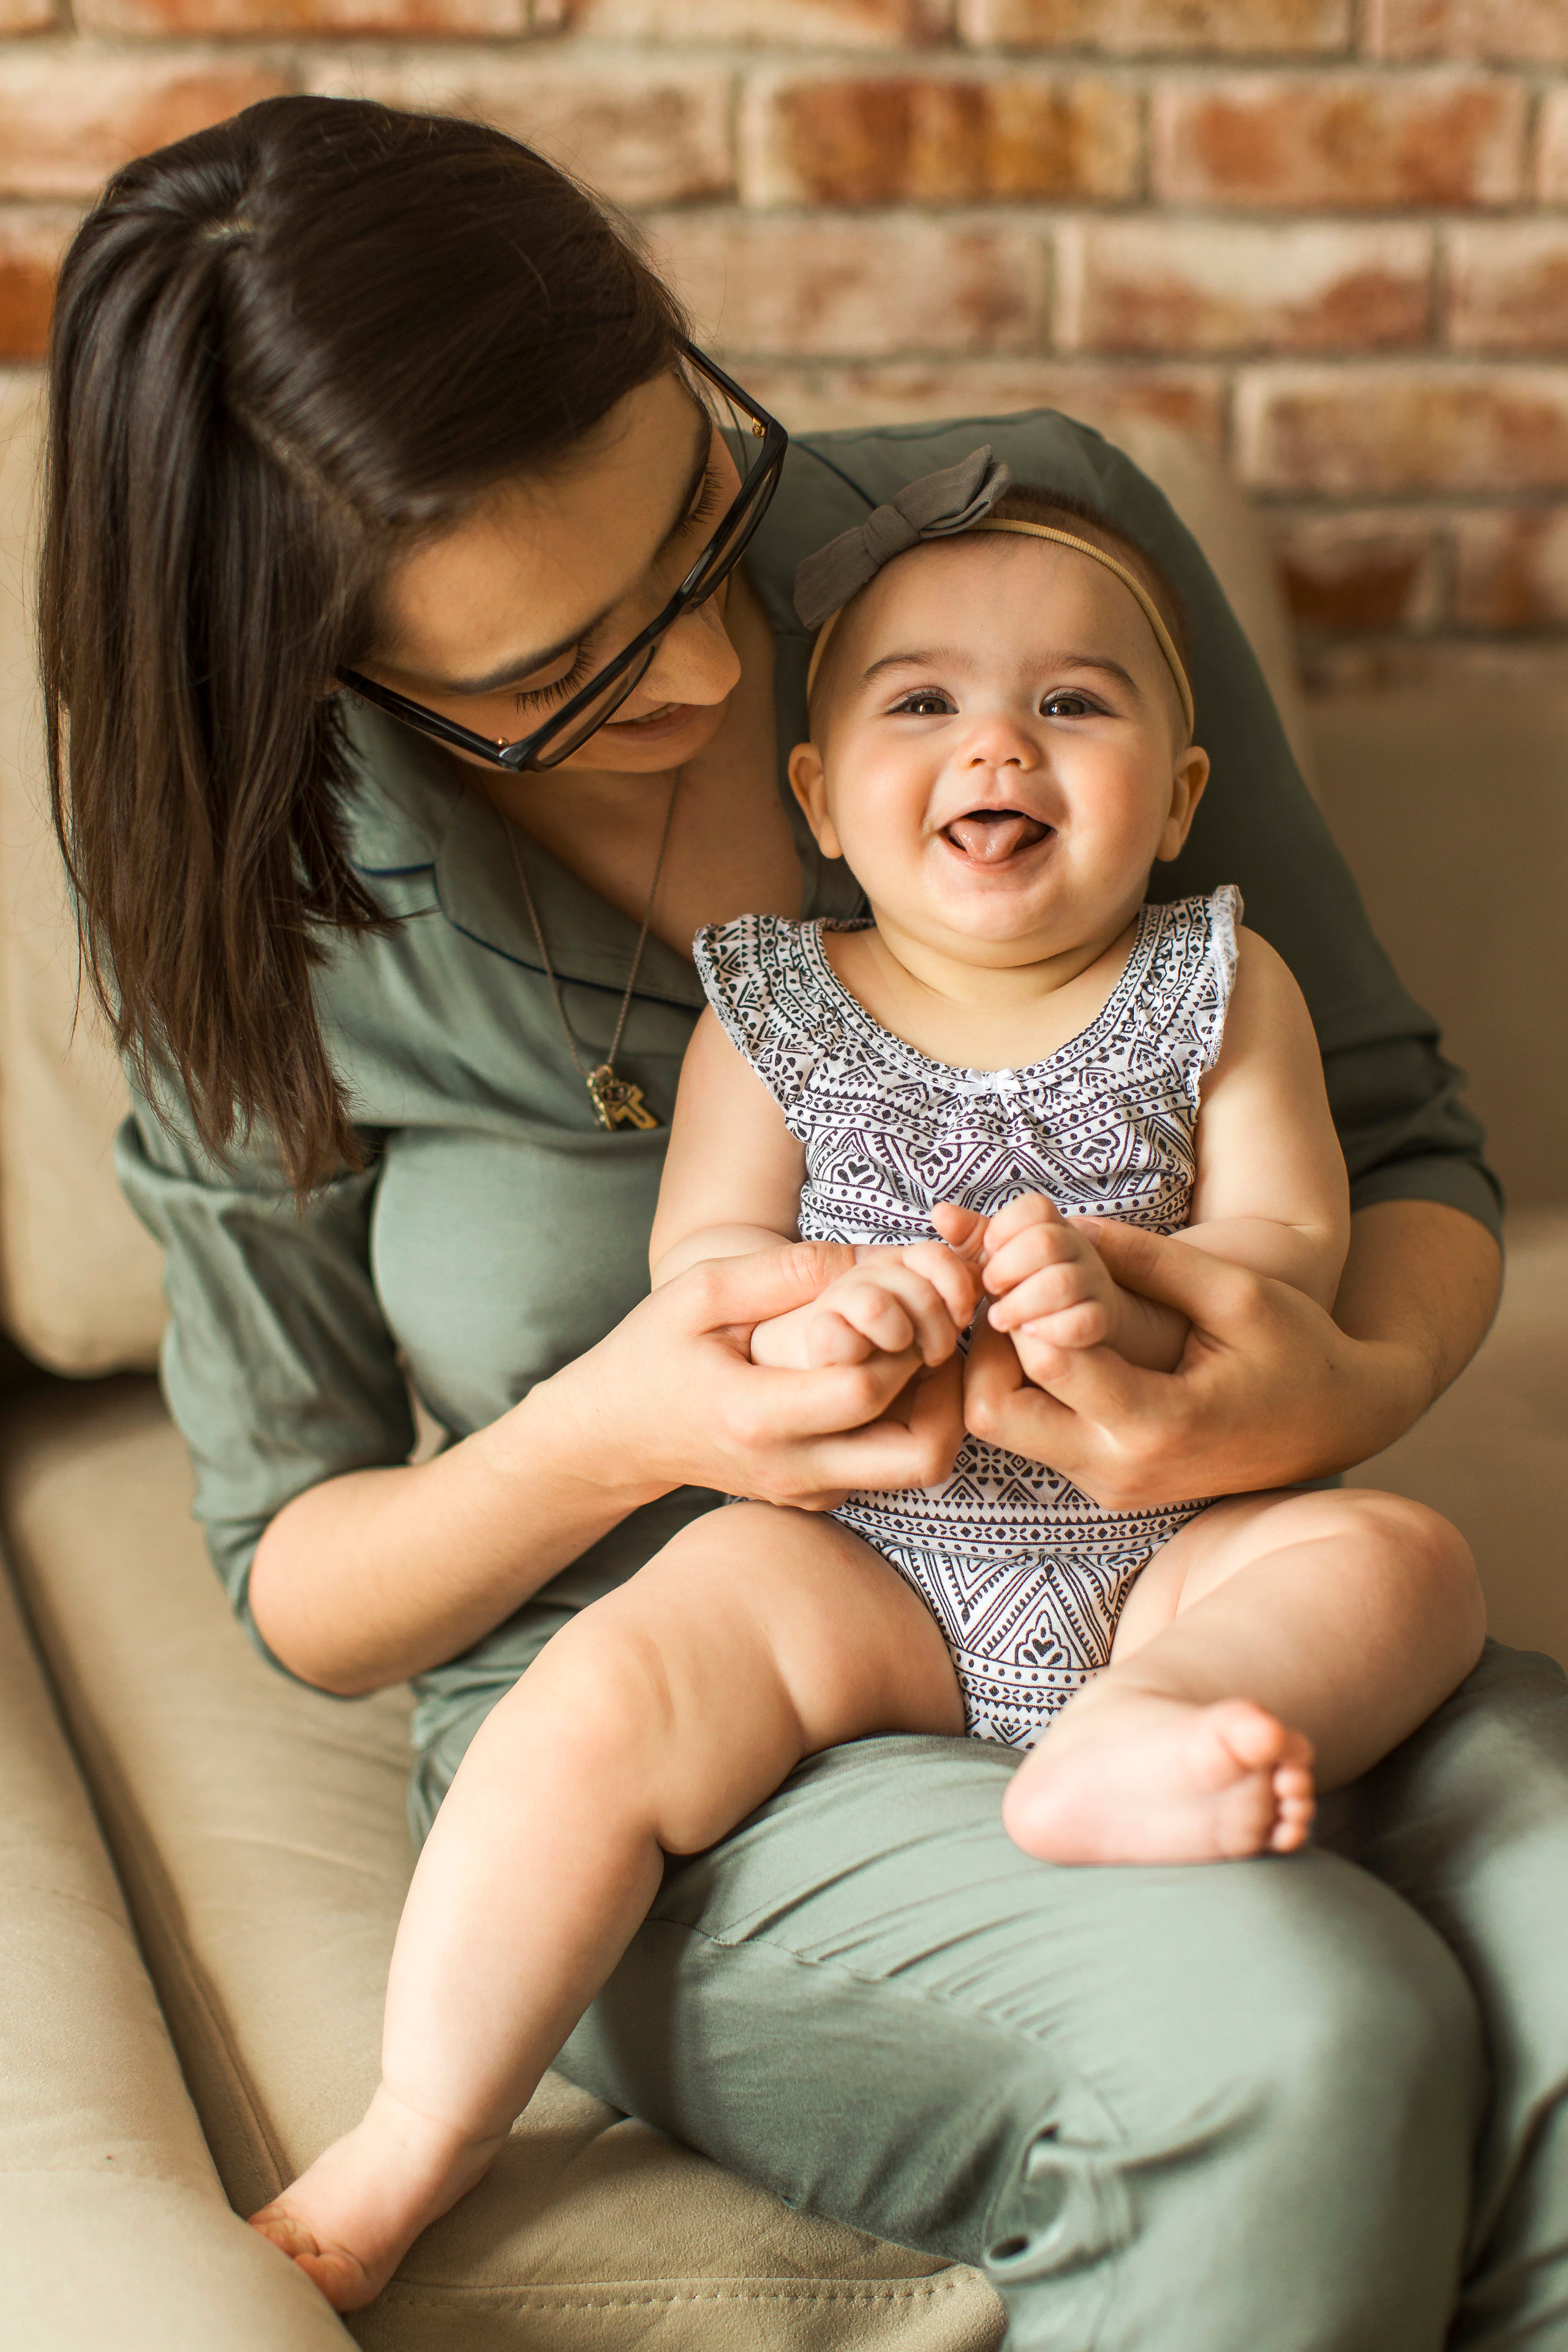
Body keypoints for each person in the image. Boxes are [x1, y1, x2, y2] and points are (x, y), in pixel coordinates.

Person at [39, 91, 1567, 2352]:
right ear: (326, 676)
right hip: (711, 1689)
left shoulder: (1030, 561)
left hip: (1196, 1589)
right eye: (548, 679)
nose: (692, 672)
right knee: (1300, 2025)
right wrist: (622, 1426)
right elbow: (306, 1584)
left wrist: (1306, 1388)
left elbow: (1399, 1144)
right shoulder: (260, 884)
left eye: (696, 529)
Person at [243, 465, 1487, 2310]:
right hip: (863, 1557)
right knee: (605, 1693)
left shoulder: (1224, 984)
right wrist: (834, 1322)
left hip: (1170, 1544)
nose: (1000, 744)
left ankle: (1146, 1729)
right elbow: (707, 1270)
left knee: (1401, 1562)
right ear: (819, 799)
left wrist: (1134, 1301)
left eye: (1073, 703)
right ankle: (418, 2125)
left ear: (1179, 799)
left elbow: (1294, 1247)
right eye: (925, 703)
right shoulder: (774, 1009)